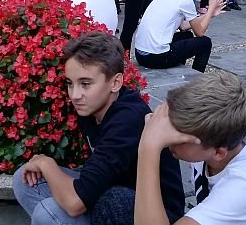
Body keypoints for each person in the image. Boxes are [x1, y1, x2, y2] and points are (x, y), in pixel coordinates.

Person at [13, 32, 185, 224]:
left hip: (151, 212)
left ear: (115, 83)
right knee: (25, 179)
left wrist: (47, 164)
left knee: (48, 213)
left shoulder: (127, 120)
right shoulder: (92, 106)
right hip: (112, 190)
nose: (75, 95)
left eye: (85, 84)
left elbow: (75, 203)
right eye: (70, 83)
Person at [134, 71, 246, 225]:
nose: (167, 139)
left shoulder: (244, 187)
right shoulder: (219, 139)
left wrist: (148, 147)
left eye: (179, 138)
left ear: (218, 152)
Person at [133, 0, 227, 73]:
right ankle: (197, 78)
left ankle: (178, 69)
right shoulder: (184, 0)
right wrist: (210, 9)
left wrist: (208, 15)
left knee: (186, 35)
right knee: (205, 43)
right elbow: (200, 32)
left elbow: (183, 26)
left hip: (140, 54)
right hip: (155, 57)